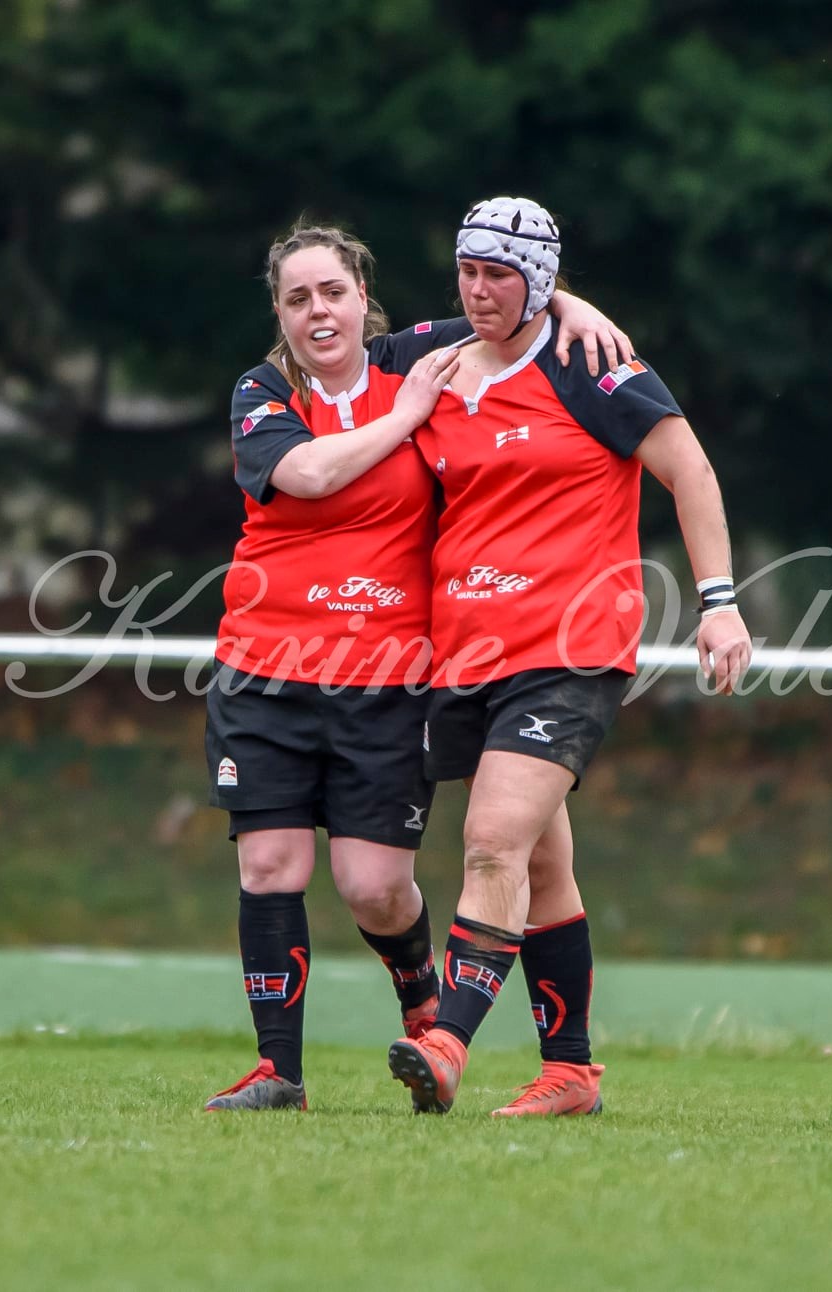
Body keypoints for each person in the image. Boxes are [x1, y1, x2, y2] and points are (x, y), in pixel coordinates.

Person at [203, 222, 634, 1111]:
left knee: (375, 887)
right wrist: (402, 423)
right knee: (271, 866)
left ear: (365, 296)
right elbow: (311, 474)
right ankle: (278, 1071)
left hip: (387, 680)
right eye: (296, 299)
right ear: (279, 315)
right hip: (264, 672)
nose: (317, 312)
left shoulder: (419, 358)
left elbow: (511, 311)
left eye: (332, 292)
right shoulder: (262, 390)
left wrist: (567, 301)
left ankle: (421, 997)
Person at [386, 196, 752, 1116]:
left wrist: (718, 604)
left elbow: (691, 469)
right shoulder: (431, 361)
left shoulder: (591, 363)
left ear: (540, 280)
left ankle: (448, 1044)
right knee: (542, 868)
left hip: (569, 649)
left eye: (500, 276)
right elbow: (341, 340)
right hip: (465, 654)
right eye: (467, 272)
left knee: (492, 842)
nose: (478, 292)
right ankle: (572, 1073)